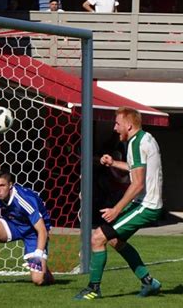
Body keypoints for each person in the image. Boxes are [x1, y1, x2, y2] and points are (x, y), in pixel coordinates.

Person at [74, 107, 163, 300]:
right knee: (114, 240)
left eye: (117, 124)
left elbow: (138, 183)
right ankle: (149, 282)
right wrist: (113, 163)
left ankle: (93, 289)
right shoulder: (145, 138)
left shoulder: (135, 144)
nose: (115, 128)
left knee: (97, 238)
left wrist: (116, 209)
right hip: (145, 202)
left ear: (128, 125)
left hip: (146, 205)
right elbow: (136, 169)